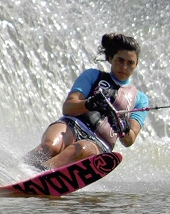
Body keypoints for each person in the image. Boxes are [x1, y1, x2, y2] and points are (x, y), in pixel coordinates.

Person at [24, 33, 149, 170]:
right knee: (49, 147)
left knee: (80, 149)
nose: (124, 67)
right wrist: (89, 103)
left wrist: (122, 128)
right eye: (120, 60)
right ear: (110, 58)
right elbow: (68, 108)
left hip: (99, 143)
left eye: (130, 63)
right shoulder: (92, 75)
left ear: (136, 65)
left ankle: (37, 174)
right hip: (72, 125)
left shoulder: (140, 99)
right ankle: (17, 169)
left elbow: (129, 140)